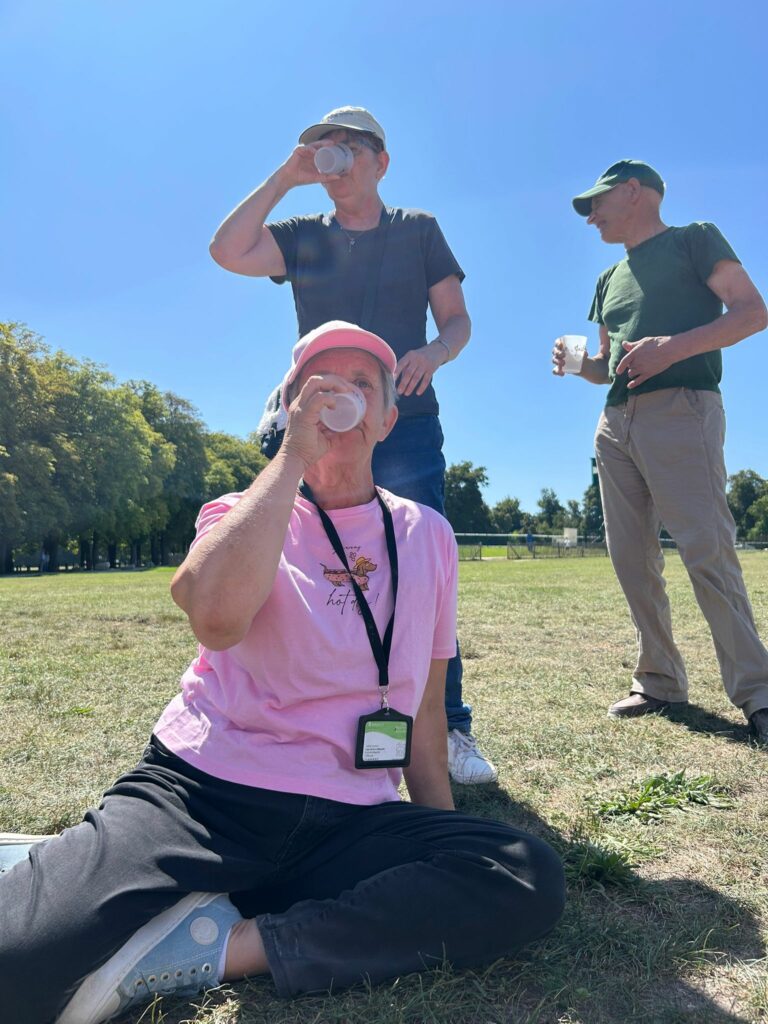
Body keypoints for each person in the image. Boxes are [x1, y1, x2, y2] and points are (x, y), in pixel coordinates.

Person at [0, 322, 565, 1024]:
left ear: (387, 419)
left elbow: (424, 705)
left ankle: (217, 946)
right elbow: (216, 619)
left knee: (522, 872)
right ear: (289, 408)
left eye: (362, 384)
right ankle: (78, 871)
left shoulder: (429, 535)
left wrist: (437, 845)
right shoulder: (239, 513)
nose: (340, 398)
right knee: (11, 965)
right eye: (318, 386)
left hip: (349, 818)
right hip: (203, 798)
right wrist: (295, 456)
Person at [208, 105, 496, 785]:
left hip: (403, 420)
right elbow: (227, 251)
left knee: (417, 569)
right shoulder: (304, 234)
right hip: (312, 422)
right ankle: (285, 713)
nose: (333, 157)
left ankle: (448, 725)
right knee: (298, 559)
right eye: (323, 147)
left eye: (347, 147)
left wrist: (433, 352)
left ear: (380, 161)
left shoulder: (418, 229)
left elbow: (457, 321)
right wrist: (287, 176)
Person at [553, 159, 768, 743]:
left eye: (596, 203)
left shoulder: (695, 239)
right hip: (615, 423)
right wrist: (580, 366)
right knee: (631, 558)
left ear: (633, 191)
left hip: (683, 409)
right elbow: (609, 365)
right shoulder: (607, 278)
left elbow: (752, 313)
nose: (590, 217)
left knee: (707, 551)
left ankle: (758, 692)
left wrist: (669, 349)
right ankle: (660, 680)